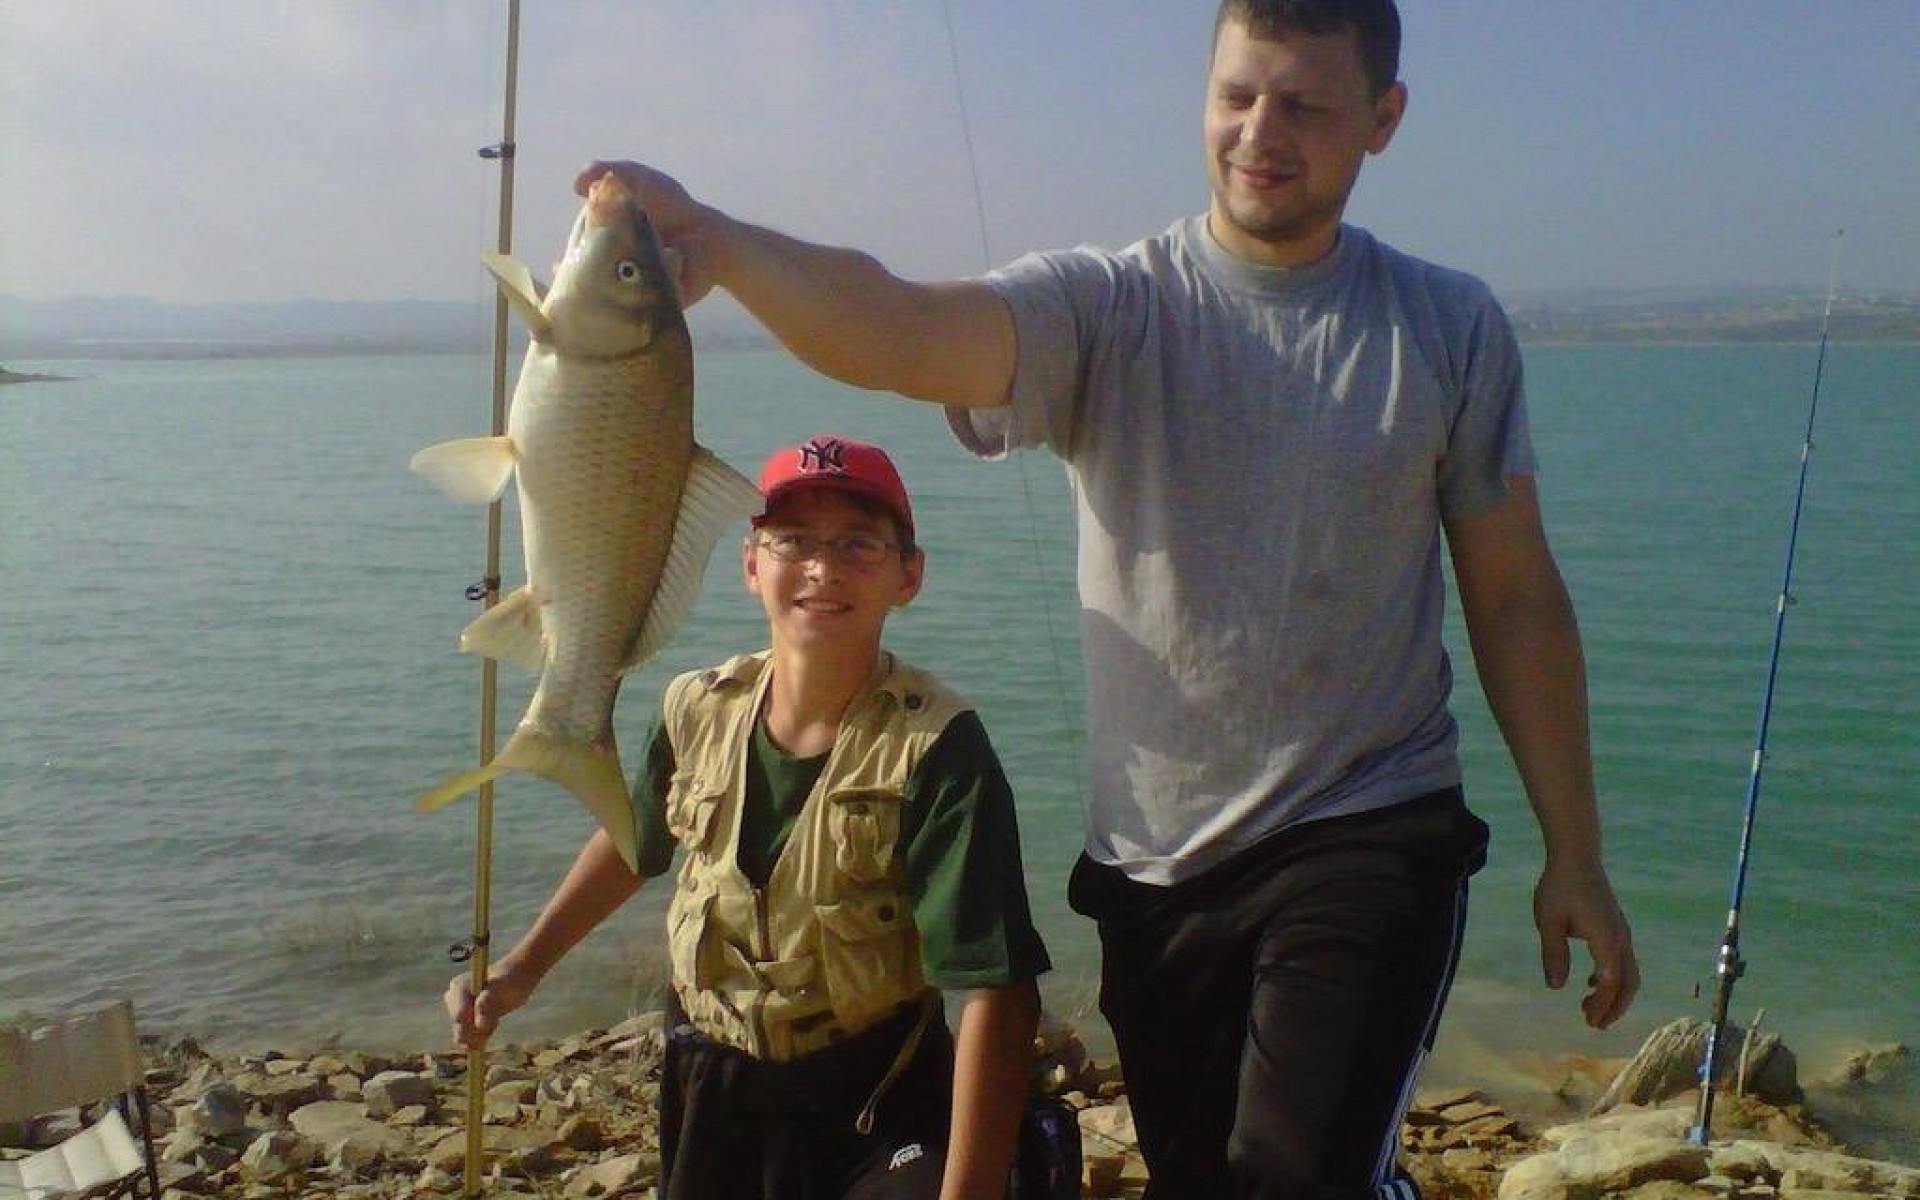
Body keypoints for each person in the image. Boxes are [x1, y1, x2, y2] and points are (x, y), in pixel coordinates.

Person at [570, 1, 1640, 1195]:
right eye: (1236, 95)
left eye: (1304, 105)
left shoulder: (1446, 326)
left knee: (1295, 1176)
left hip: (1367, 825)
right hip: (1155, 868)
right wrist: (721, 246)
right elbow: (904, 325)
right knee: (1199, 1176)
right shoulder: (1110, 309)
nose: (1260, 132)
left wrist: (1576, 851)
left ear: (1382, 119)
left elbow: (1514, 593)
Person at [447, 435, 1051, 1200]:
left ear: (909, 575)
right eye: (793, 541)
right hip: (712, 1081)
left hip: (876, 1090)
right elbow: (634, 845)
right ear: (751, 565)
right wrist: (519, 971)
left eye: (858, 544)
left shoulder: (937, 745)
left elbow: (996, 991)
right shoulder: (697, 707)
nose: (822, 568)